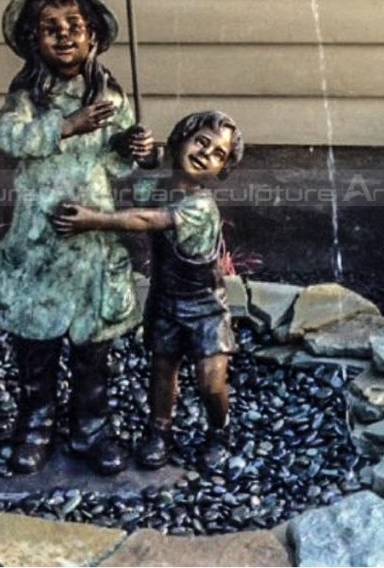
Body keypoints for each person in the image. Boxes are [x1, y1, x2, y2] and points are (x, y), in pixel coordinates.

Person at [0, 0, 156, 476]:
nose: (64, 36)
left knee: (93, 347)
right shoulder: (28, 99)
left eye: (74, 26)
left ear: (93, 35)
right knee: (37, 343)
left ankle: (90, 428)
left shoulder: (109, 96)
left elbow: (117, 163)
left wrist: (137, 148)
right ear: (34, 40)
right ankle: (36, 425)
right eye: (50, 28)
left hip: (93, 240)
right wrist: (67, 125)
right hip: (41, 240)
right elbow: (10, 138)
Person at [52, 110, 244, 472]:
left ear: (221, 170)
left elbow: (146, 219)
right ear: (180, 141)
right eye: (201, 141)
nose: (205, 153)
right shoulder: (155, 188)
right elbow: (129, 184)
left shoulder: (202, 206)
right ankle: (159, 431)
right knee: (162, 370)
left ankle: (220, 431)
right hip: (165, 299)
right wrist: (141, 151)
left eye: (218, 154)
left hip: (205, 307)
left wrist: (92, 220)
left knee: (210, 380)